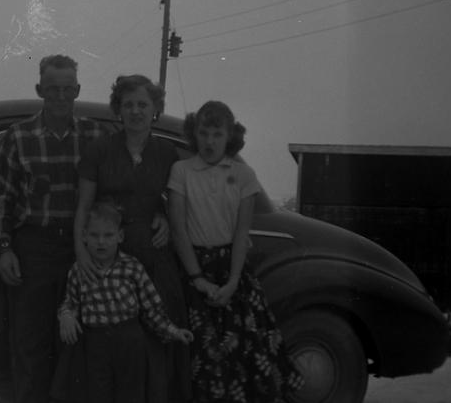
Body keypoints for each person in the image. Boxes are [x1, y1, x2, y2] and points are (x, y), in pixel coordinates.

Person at [0, 54, 106, 403]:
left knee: (76, 342)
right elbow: (2, 197)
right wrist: (4, 248)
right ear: (40, 89)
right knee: (30, 343)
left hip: (80, 249)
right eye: (52, 89)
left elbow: (117, 192)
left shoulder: (96, 136)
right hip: (33, 248)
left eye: (67, 89)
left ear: (77, 90)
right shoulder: (19, 136)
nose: (60, 96)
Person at [167, 101, 304, 403]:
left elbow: (243, 233)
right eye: (203, 133)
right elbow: (178, 230)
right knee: (202, 360)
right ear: (194, 134)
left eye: (217, 134)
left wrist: (232, 283)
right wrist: (198, 279)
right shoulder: (182, 171)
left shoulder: (243, 174)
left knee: (248, 357)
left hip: (233, 272)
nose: (209, 141)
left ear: (229, 136)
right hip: (193, 269)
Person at [73, 74, 191, 403]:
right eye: (128, 105)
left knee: (155, 339)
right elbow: (83, 206)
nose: (136, 111)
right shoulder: (99, 150)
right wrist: (81, 253)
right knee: (110, 349)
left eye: (143, 104)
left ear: (155, 109)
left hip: (154, 258)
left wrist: (164, 218)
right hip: (109, 254)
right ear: (118, 110)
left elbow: (173, 202)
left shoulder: (166, 152)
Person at [58, 200, 194, 403]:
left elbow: (152, 309)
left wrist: (173, 331)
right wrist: (66, 316)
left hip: (129, 341)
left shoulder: (132, 267)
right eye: (94, 235)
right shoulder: (79, 270)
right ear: (84, 237)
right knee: (97, 392)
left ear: (120, 236)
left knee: (131, 393)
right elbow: (70, 301)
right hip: (96, 344)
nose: (101, 242)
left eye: (108, 235)